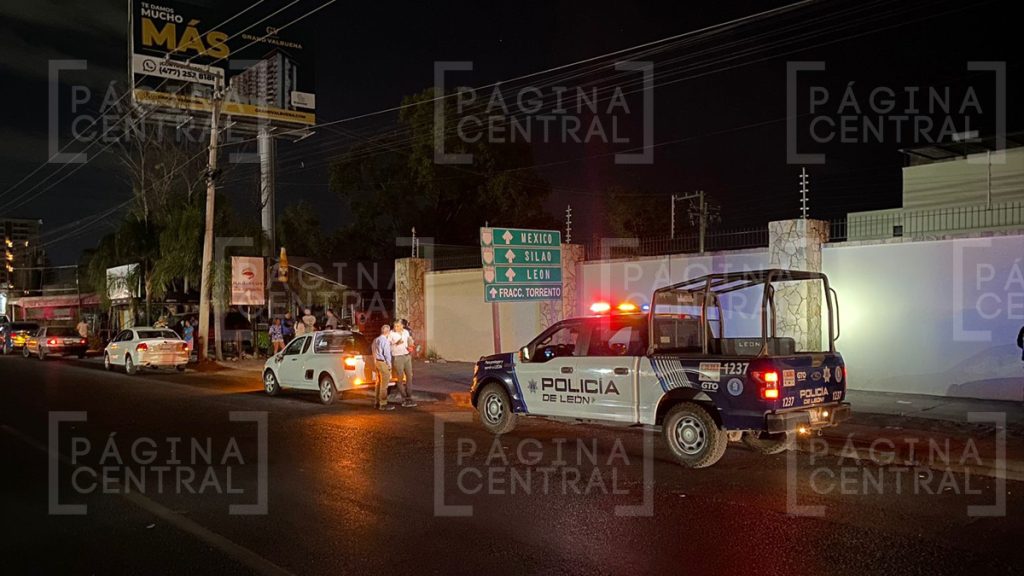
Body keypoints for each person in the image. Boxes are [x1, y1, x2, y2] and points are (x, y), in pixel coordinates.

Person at [388, 319, 416, 407]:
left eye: (397, 326)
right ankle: (404, 397)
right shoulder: (391, 334)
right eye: (394, 326)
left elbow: (409, 341)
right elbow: (387, 345)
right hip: (397, 357)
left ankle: (409, 396)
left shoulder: (406, 332)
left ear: (402, 326)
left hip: (407, 355)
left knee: (409, 376)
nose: (395, 328)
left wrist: (411, 346)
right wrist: (395, 343)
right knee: (399, 378)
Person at [372, 325, 395, 411]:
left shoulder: (376, 340)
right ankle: (383, 404)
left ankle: (376, 402)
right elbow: (387, 354)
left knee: (378, 383)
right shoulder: (385, 341)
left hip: (377, 362)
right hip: (383, 362)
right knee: (384, 385)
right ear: (388, 332)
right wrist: (389, 364)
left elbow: (373, 350)